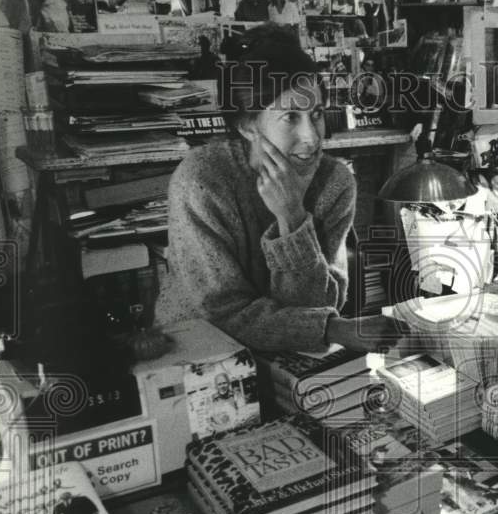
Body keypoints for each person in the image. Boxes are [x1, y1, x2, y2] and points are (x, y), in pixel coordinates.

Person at [154, 24, 404, 354]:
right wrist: (331, 329)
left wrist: (292, 218)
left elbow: (316, 305)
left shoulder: (335, 183)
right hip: (196, 355)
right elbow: (220, 314)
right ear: (247, 125)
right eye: (290, 117)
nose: (312, 137)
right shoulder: (202, 181)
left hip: (289, 357)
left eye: (316, 115)